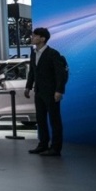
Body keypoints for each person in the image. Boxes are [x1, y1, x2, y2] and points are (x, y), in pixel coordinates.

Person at [25, 27, 66, 157]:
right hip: (39, 92)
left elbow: (60, 74)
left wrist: (59, 90)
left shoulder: (53, 53)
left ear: (42, 38)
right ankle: (43, 144)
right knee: (41, 119)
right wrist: (28, 86)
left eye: (35, 35)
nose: (32, 37)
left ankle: (55, 148)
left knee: (54, 120)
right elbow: (32, 72)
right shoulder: (33, 53)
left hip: (51, 92)